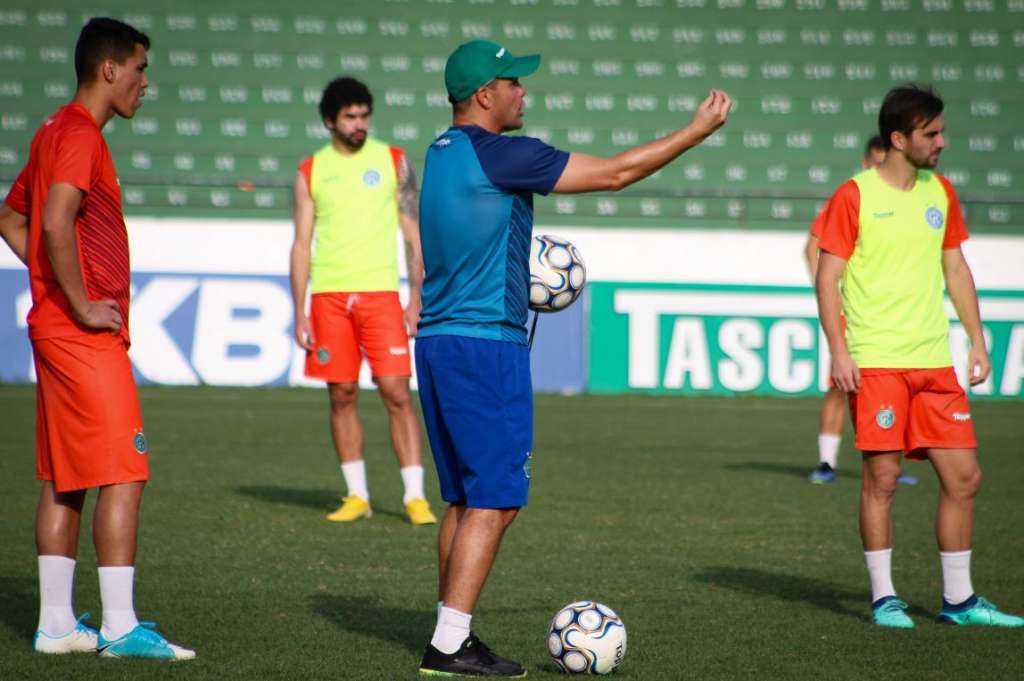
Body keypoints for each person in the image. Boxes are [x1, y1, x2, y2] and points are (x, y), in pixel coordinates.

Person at [415, 39, 731, 676]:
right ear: (485, 95)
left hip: (438, 339)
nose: (523, 92)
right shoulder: (502, 154)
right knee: (497, 500)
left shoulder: (440, 151)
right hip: (486, 344)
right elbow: (615, 173)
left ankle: (451, 627)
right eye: (514, 83)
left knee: (464, 498)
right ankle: (450, 644)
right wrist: (694, 132)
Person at [0, 17, 194, 659]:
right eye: (141, 69)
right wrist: (81, 302)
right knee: (124, 470)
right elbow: (53, 219)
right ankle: (118, 626)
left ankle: (56, 625)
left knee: (65, 478)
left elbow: (11, 215)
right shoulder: (80, 135)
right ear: (109, 69)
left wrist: (51, 283)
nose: (146, 83)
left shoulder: (53, 129)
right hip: (79, 335)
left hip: (52, 330)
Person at [816, 84, 1023, 629]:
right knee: (881, 481)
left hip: (933, 362)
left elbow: (955, 267)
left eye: (942, 131)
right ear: (898, 138)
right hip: (878, 362)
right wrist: (840, 350)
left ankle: (959, 601)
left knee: (964, 478)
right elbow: (827, 274)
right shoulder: (854, 195)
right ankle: (885, 597)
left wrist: (978, 340)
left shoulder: (940, 193)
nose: (942, 141)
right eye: (931, 133)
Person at [291, 77, 437, 526]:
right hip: (330, 296)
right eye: (350, 116)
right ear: (329, 120)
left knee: (396, 392)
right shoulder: (310, 170)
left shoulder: (394, 161)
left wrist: (416, 297)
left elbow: (415, 234)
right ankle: (357, 495)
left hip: (380, 295)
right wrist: (299, 310)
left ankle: (415, 497)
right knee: (342, 394)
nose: (359, 124)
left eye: (364, 115)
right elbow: (301, 243)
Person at [806, 135, 917, 485]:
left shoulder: (908, 200)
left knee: (894, 384)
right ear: (867, 161)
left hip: (889, 312)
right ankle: (826, 462)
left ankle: (889, 463)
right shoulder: (852, 195)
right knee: (840, 385)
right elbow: (813, 247)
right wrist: (829, 289)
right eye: (876, 160)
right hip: (853, 311)